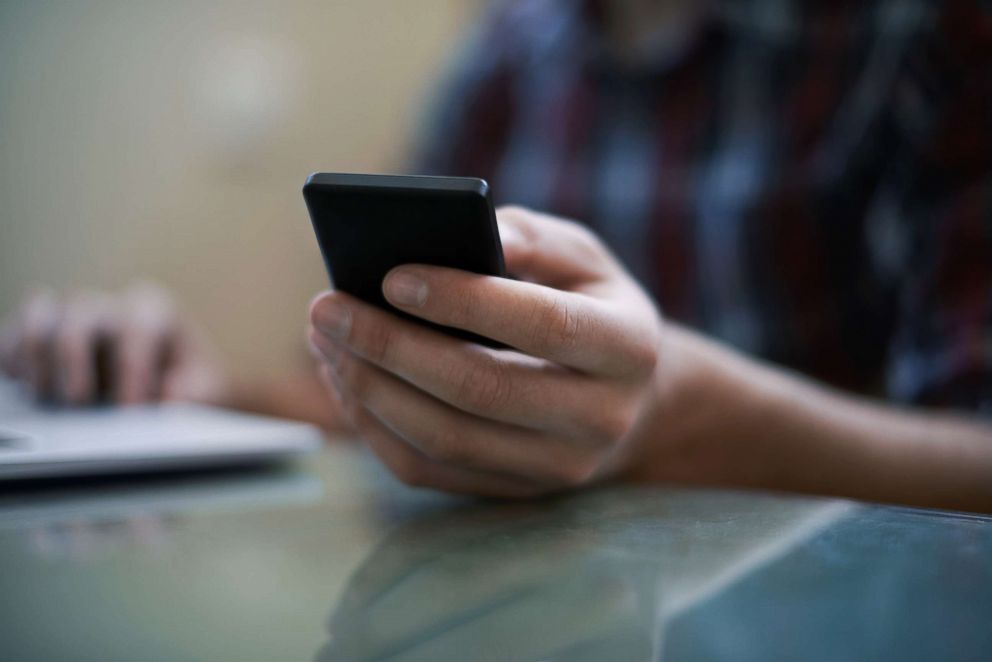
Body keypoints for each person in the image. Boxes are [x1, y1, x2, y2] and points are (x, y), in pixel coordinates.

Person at [2, 0, 991, 510]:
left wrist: (669, 419)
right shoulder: (509, 55)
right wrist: (184, 392)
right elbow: (395, 386)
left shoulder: (922, 34)